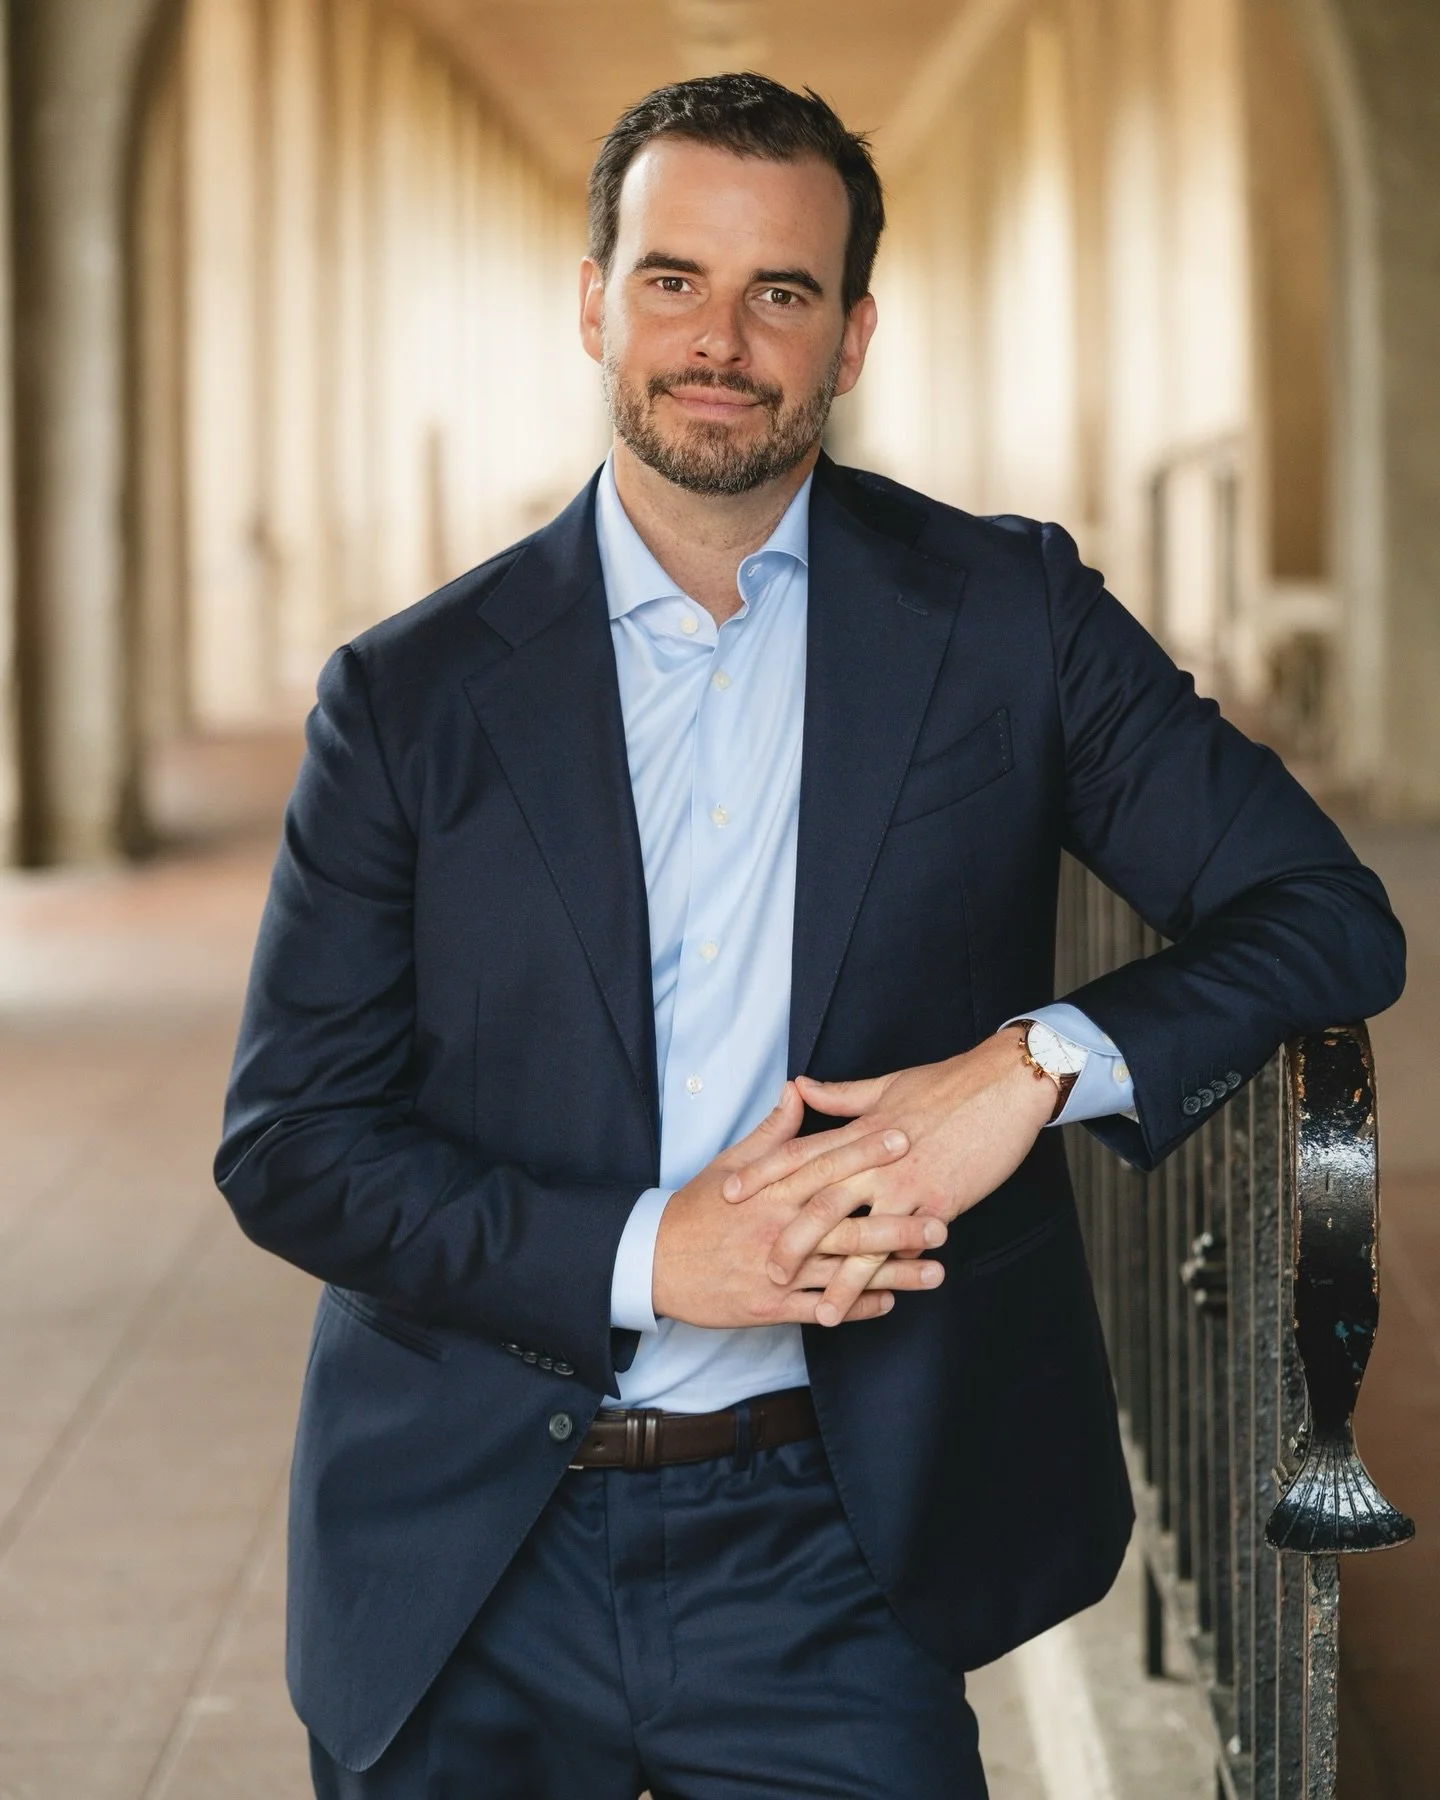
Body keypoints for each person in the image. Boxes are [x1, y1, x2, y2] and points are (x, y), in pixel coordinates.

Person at [216, 72, 1405, 1800]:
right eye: (673, 280)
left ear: (850, 337)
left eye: (781, 292)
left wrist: (1029, 1069)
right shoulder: (407, 700)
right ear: (594, 304)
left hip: (836, 1548)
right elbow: (292, 1145)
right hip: (470, 1549)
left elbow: (1325, 914)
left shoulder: (1010, 624)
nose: (721, 338)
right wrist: (651, 1256)